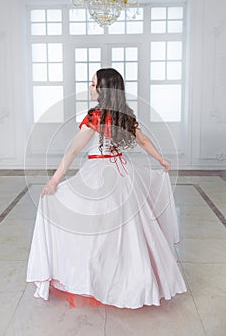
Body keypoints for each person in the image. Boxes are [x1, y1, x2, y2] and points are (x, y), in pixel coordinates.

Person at [26, 68, 187, 309]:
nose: (90, 88)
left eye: (93, 84)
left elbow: (73, 150)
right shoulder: (124, 115)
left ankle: (100, 279)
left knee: (95, 229)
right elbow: (142, 140)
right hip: (124, 172)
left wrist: (54, 181)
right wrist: (160, 159)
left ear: (105, 89)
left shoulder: (95, 116)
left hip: (99, 175)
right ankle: (132, 280)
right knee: (129, 230)